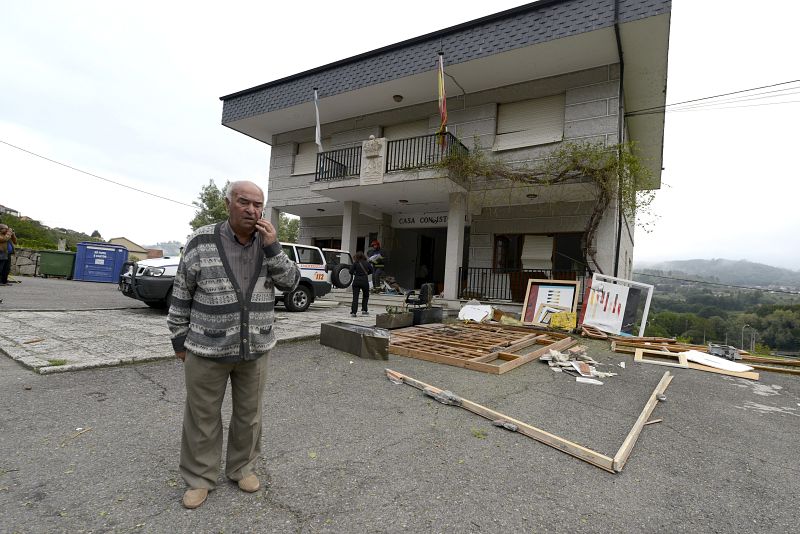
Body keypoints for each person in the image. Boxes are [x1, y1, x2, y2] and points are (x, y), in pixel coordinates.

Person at [167, 181, 300, 510]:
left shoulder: (269, 244)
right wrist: (178, 338)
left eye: (258, 205)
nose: (252, 210)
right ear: (228, 204)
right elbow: (182, 289)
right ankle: (199, 478)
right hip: (206, 348)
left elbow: (291, 282)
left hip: (255, 347)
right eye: (244, 202)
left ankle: (242, 468)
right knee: (202, 416)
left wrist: (274, 249)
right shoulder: (202, 239)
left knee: (249, 415)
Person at [348, 251, 373, 316]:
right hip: (364, 281)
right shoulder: (367, 263)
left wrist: (355, 273)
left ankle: (353, 312)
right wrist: (366, 273)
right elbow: (371, 271)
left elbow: (350, 271)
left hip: (356, 281)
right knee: (365, 295)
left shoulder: (355, 263)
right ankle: (364, 310)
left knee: (355, 297)